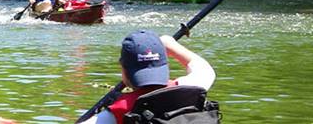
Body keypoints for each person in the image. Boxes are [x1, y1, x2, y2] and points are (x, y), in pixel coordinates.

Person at [82, 29, 216, 124]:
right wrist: (170, 45)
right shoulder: (191, 88)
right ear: (165, 64)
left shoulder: (118, 112)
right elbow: (203, 67)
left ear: (123, 69)